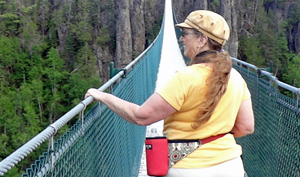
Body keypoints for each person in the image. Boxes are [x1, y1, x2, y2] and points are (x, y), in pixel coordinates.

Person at [86, 10, 255, 176]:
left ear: (202, 40)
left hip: (189, 168)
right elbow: (246, 127)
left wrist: (103, 96)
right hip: (230, 166)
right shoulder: (235, 78)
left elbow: (141, 116)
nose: (181, 38)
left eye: (185, 33)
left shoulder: (186, 77)